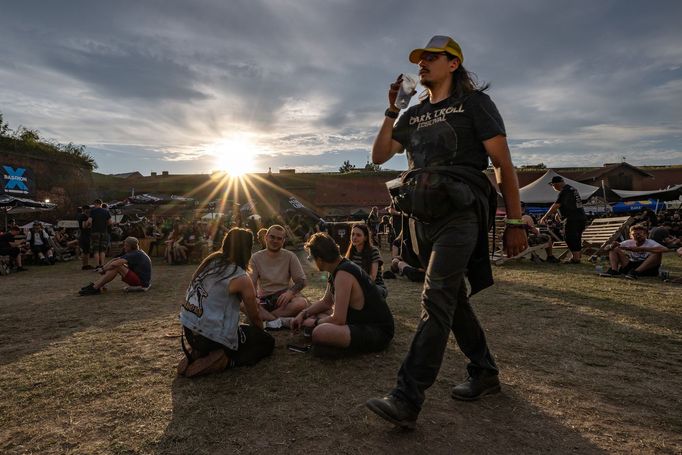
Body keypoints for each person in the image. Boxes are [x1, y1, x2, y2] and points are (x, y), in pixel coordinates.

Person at [366, 35, 527, 429]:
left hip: (461, 212)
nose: (422, 64)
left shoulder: (474, 104)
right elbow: (379, 155)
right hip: (422, 217)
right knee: (451, 298)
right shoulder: (413, 112)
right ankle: (485, 371)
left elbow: (503, 163)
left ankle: (407, 398)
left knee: (435, 297)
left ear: (453, 64)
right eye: (419, 60)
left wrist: (515, 220)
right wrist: (393, 108)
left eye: (431, 58)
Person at [178, 228, 273, 377]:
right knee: (267, 342)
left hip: (189, 330)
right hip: (209, 337)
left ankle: (198, 352)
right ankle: (225, 361)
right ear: (247, 249)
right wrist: (260, 331)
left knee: (240, 329)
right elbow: (254, 316)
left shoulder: (209, 263)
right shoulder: (240, 276)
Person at [291, 233, 394, 357]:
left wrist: (314, 323)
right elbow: (326, 302)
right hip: (362, 322)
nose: (311, 262)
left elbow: (339, 319)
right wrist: (304, 314)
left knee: (319, 332)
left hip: (377, 331)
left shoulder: (343, 274)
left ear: (319, 259)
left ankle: (338, 347)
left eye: (310, 258)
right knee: (317, 313)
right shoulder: (337, 268)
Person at [249, 225, 308, 328]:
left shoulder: (290, 256)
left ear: (283, 241)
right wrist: (254, 299)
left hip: (284, 299)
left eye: (279, 238)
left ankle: (267, 320)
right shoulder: (255, 258)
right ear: (266, 237)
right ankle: (279, 321)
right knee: (244, 303)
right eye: (272, 237)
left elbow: (301, 281)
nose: (275, 241)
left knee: (301, 303)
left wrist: (290, 293)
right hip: (264, 300)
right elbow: (251, 284)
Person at [79, 236, 152, 295]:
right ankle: (96, 286)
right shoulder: (137, 252)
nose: (124, 247)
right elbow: (115, 260)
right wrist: (103, 268)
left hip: (141, 283)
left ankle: (95, 287)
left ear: (130, 246)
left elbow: (115, 264)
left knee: (117, 266)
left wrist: (104, 270)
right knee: (116, 265)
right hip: (142, 280)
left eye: (126, 245)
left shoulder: (134, 254)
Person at [539, 176, 586, 264]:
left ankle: (576, 259)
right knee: (577, 237)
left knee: (569, 237)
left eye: (553, 185)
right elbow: (571, 204)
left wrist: (545, 217)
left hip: (572, 218)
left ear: (557, 184)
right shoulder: (572, 189)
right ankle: (577, 257)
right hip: (581, 216)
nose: (553, 187)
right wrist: (559, 213)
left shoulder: (565, 191)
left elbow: (556, 205)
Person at [600, 224, 668, 279]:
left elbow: (665, 249)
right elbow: (605, 248)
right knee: (614, 248)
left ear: (645, 235)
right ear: (631, 236)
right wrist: (611, 246)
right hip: (631, 265)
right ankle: (614, 270)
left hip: (647, 267)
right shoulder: (629, 242)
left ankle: (636, 272)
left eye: (640, 234)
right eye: (635, 234)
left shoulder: (650, 242)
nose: (638, 236)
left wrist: (643, 249)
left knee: (657, 253)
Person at [345, 224, 387, 297]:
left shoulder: (373, 251)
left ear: (365, 238)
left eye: (358, 235)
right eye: (353, 234)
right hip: (357, 288)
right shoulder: (351, 253)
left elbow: (372, 278)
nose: (354, 237)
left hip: (375, 288)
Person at [86, 199, 112, 271]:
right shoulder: (106, 211)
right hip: (104, 232)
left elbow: (89, 221)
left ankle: (97, 266)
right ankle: (102, 265)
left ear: (95, 204)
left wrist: (88, 225)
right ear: (101, 204)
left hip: (95, 232)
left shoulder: (93, 211)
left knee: (96, 250)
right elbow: (110, 222)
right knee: (102, 250)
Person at [77, 205, 93, 270]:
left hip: (83, 234)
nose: (89, 211)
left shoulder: (80, 216)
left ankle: (86, 264)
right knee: (85, 251)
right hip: (85, 235)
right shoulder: (83, 216)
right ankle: (85, 265)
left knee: (86, 251)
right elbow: (84, 226)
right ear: (85, 209)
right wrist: (90, 222)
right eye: (88, 209)